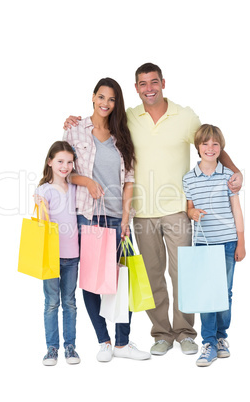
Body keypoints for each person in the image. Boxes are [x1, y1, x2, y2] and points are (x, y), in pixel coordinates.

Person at [63, 63, 243, 357]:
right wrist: (72, 120)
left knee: (183, 274)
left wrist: (235, 171)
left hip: (177, 210)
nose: (149, 88)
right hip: (141, 212)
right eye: (143, 83)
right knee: (153, 276)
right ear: (136, 88)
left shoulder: (185, 116)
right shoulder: (129, 118)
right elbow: (96, 132)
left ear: (163, 83)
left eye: (154, 82)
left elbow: (210, 144)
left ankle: (185, 332)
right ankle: (161, 334)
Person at [63, 77, 150, 362]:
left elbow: (129, 180)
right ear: (92, 97)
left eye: (111, 99)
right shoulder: (74, 130)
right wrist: (86, 181)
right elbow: (63, 171)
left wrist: (126, 217)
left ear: (116, 103)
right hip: (88, 216)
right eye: (101, 97)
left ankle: (123, 344)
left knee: (123, 278)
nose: (105, 103)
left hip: (117, 217)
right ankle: (104, 340)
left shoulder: (121, 136)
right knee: (92, 281)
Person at [183, 124, 245, 367]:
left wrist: (241, 240)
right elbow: (189, 208)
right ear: (198, 147)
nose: (210, 148)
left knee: (225, 293)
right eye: (205, 144)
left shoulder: (228, 176)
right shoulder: (189, 178)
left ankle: (221, 337)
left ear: (221, 148)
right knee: (207, 295)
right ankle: (208, 341)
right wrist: (192, 212)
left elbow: (236, 210)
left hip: (228, 243)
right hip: (203, 245)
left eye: (215, 144)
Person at [35, 141, 80, 366]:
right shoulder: (44, 190)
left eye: (69, 162)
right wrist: (40, 206)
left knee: (70, 302)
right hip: (50, 255)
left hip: (73, 255)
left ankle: (70, 346)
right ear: (50, 162)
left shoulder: (75, 188)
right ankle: (51, 348)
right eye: (60, 161)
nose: (65, 166)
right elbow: (43, 223)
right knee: (52, 302)